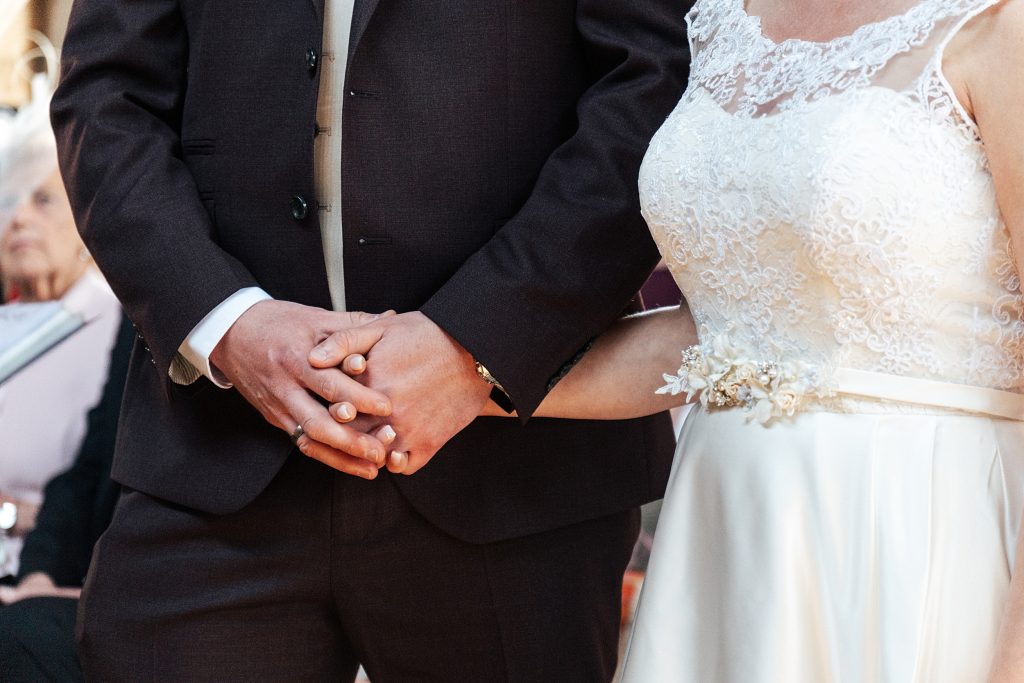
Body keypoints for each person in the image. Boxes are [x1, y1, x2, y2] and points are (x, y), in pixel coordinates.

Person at [51, 1, 691, 680]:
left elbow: (654, 83)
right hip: (216, 453)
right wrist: (227, 321)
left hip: (514, 473)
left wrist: (475, 343)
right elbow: (106, 92)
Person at [460, 0, 1024, 679]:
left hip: (911, 533)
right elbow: (722, 333)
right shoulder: (717, 18)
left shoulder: (999, 25)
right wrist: (461, 375)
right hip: (725, 533)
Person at [0, 73, 123, 579]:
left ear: (85, 217)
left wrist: (11, 516)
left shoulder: (117, 327)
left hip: (39, 577)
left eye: (43, 199)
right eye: (7, 202)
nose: (19, 218)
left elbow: (98, 486)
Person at [0, 314, 132, 683]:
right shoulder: (135, 318)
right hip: (57, 571)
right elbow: (88, 467)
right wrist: (39, 573)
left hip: (159, 582)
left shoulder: (98, 313)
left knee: (20, 637)